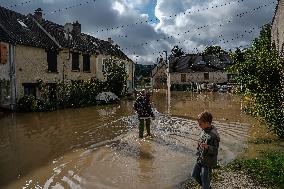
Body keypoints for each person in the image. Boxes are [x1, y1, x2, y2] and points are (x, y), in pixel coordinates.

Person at [192, 111, 220, 189]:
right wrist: (198, 148)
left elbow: (215, 151)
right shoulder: (204, 130)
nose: (199, 125)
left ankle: (206, 187)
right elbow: (200, 142)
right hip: (200, 159)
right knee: (194, 175)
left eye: (200, 124)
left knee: (205, 180)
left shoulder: (214, 136)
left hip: (208, 162)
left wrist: (208, 147)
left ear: (207, 123)